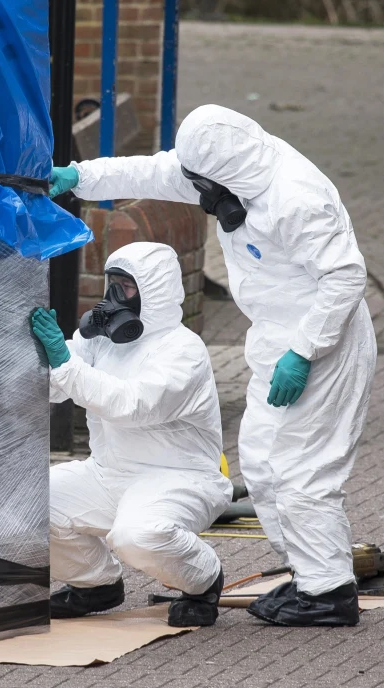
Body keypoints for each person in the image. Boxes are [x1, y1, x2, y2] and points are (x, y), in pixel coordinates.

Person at [49, 105, 376, 627]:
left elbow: (344, 278)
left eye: (204, 184)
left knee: (300, 468)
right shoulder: (228, 164)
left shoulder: (297, 198)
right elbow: (155, 172)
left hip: (323, 342)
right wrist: (79, 176)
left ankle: (328, 593)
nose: (198, 194)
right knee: (264, 462)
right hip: (277, 338)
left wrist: (305, 350)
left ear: (230, 175)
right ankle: (308, 573)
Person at [29, 242, 232, 628]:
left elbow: (133, 405)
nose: (113, 297)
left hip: (178, 478)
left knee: (138, 535)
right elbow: (59, 387)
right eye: (112, 284)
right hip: (109, 473)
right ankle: (95, 585)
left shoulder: (183, 350)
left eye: (126, 287)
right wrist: (36, 354)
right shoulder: (100, 338)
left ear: (154, 291)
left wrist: (65, 363)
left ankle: (203, 580)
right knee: (27, 501)